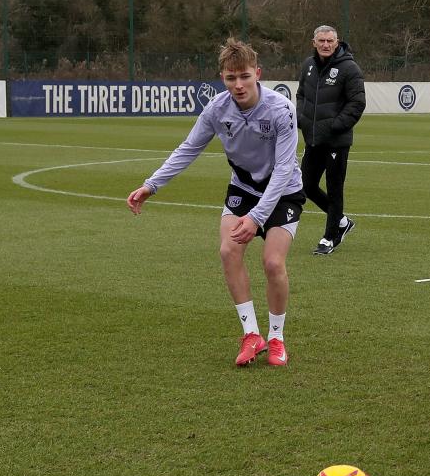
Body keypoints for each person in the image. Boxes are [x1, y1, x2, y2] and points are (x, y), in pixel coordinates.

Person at [126, 38, 304, 367]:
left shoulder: (281, 109)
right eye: (230, 77)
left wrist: (256, 218)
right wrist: (152, 185)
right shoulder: (216, 110)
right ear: (222, 77)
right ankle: (252, 335)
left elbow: (282, 169)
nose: (238, 85)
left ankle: (277, 338)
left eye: (245, 76)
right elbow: (188, 148)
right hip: (244, 188)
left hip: (283, 190)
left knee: (273, 264)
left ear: (258, 74)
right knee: (228, 250)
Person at [297, 25, 366, 255]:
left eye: (330, 41)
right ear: (313, 42)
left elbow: (357, 103)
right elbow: (301, 95)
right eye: (321, 41)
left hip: (337, 141)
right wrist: (303, 120)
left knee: (334, 189)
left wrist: (335, 126)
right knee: (306, 185)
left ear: (337, 42)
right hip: (313, 138)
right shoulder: (308, 65)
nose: (326, 44)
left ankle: (330, 237)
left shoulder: (349, 68)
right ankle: (342, 222)